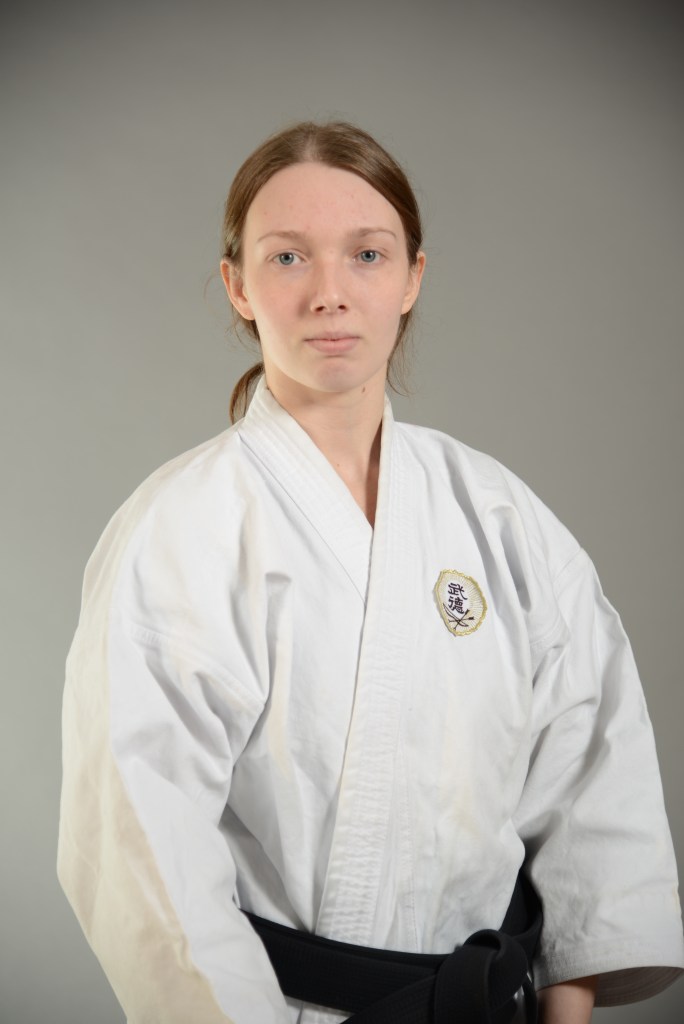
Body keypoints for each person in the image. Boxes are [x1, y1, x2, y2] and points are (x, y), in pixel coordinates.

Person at [58, 121, 684, 1024]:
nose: (330, 293)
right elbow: (139, 848)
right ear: (237, 285)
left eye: (367, 254)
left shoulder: (500, 517)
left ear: (411, 278)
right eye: (287, 257)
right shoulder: (180, 529)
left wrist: (566, 1006)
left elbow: (593, 777)